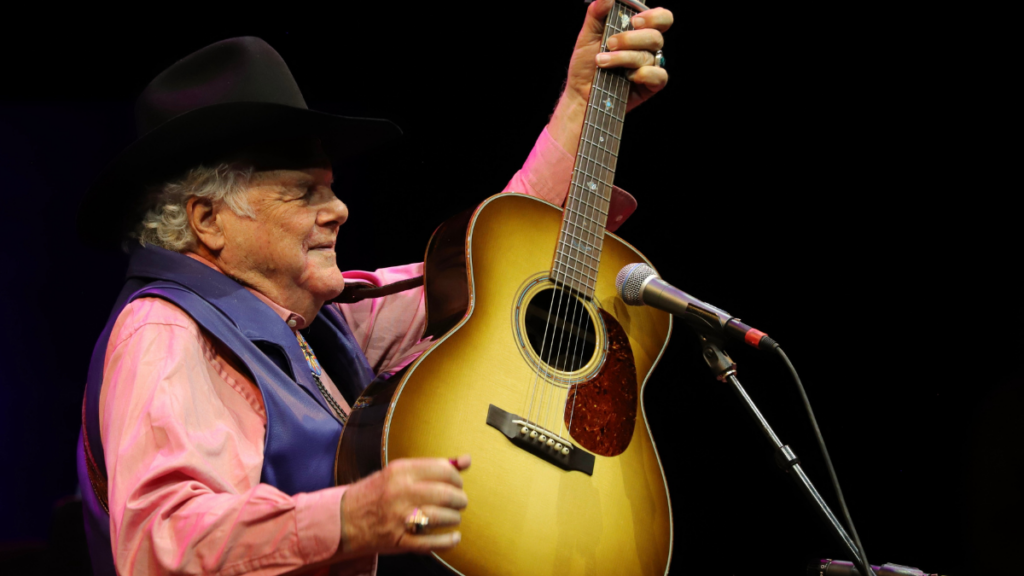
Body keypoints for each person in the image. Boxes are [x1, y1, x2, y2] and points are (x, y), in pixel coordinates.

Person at [75, 1, 673, 574]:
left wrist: (583, 107)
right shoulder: (165, 331)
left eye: (331, 189)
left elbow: (494, 272)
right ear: (208, 221)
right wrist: (352, 516)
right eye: (304, 193)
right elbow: (161, 544)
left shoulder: (327, 322)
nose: (339, 210)